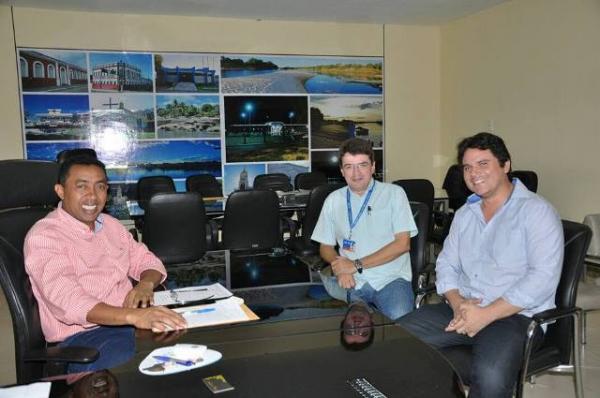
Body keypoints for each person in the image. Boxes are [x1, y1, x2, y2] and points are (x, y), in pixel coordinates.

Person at [398, 132, 564, 398]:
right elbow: (447, 263)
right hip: (463, 307)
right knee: (394, 343)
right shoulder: (465, 214)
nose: (474, 173)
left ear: (505, 165)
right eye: (467, 167)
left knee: (490, 377)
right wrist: (458, 304)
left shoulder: (537, 212)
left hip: (515, 317)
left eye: (483, 163)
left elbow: (542, 279)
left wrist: (486, 315)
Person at [24, 156, 187, 371]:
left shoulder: (111, 225)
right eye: (81, 186)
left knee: (192, 345)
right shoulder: (44, 237)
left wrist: (145, 284)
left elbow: (147, 260)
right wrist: (135, 316)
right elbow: (70, 302)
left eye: (100, 187)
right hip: (85, 338)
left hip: (129, 323)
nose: (92, 195)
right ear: (60, 191)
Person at [311, 138, 417, 320]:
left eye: (362, 165)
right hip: (350, 281)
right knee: (316, 316)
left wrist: (354, 265)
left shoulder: (394, 194)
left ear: (373, 167)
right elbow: (325, 247)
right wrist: (339, 267)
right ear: (342, 171)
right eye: (349, 166)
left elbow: (402, 245)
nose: (356, 173)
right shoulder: (333, 200)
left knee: (402, 325)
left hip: (390, 279)